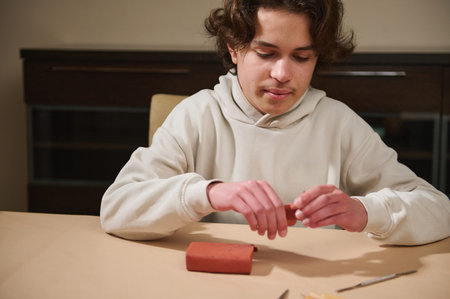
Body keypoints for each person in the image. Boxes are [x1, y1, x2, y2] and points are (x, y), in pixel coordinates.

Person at [100, 0, 450, 245]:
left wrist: (365, 211)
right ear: (234, 48)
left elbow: (439, 211)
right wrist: (209, 193)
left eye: (301, 57)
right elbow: (116, 209)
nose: (282, 74)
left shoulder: (339, 124)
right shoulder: (197, 115)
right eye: (266, 53)